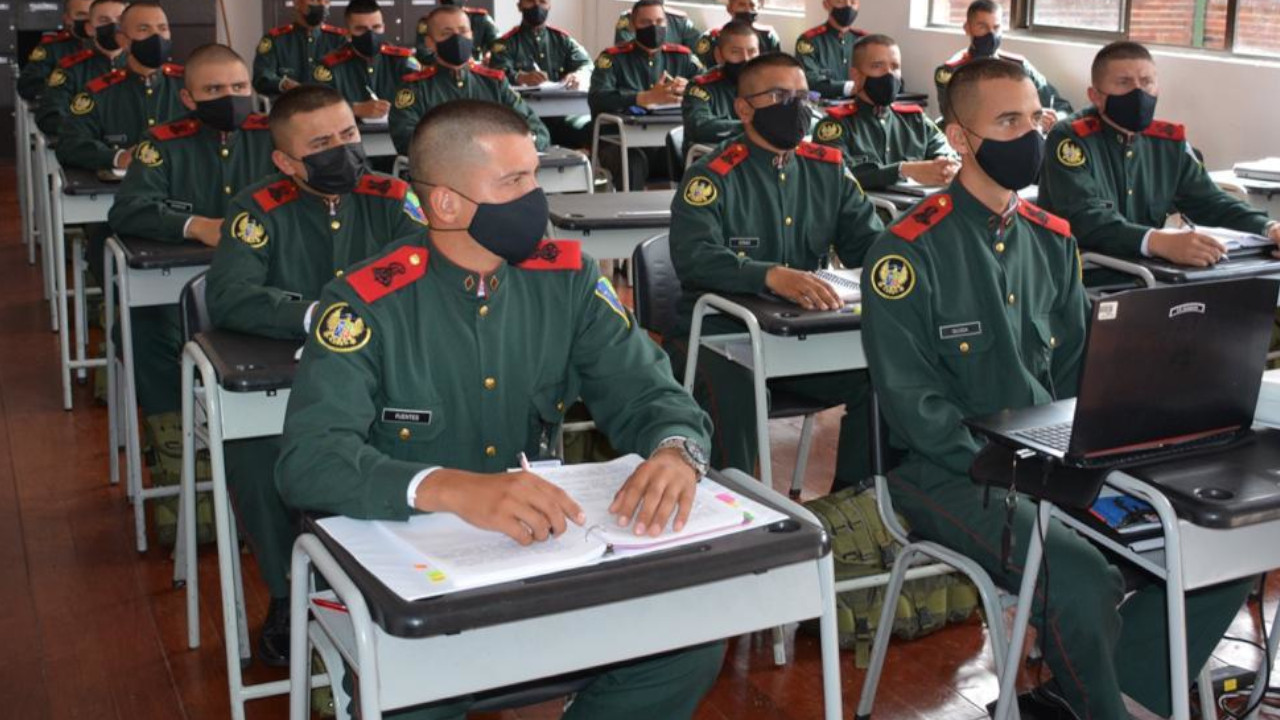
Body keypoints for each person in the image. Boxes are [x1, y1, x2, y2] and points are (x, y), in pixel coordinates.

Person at [276, 99, 725, 720]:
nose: (536, 198)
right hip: (411, 573)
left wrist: (677, 450)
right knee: (411, 701)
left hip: (536, 552)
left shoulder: (566, 281)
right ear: (446, 203)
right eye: (514, 182)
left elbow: (648, 393)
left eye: (534, 177)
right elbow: (310, 461)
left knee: (689, 646)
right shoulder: (364, 304)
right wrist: (450, 488)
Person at [862, 57, 1253, 720]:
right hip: (949, 467)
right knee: (1078, 578)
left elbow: (1081, 371)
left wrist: (1119, 442)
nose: (1032, 134)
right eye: (1007, 120)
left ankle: (1115, 690)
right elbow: (916, 412)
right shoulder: (907, 253)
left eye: (1036, 116)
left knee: (1227, 536)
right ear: (958, 138)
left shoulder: (1052, 239)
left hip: (1057, 455)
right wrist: (1028, 467)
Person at [204, 84, 428, 666]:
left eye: (349, 135)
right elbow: (230, 297)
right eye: (322, 143)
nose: (342, 151)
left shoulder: (393, 196)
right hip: (281, 377)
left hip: (382, 372)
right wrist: (316, 315)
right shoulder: (258, 209)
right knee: (257, 458)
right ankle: (286, 592)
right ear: (285, 161)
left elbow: (420, 272)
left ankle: (391, 585)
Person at [668, 53, 884, 491]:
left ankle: (851, 508)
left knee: (883, 378)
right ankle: (739, 516)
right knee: (737, 392)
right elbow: (694, 256)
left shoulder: (828, 170)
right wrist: (770, 275)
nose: (797, 107)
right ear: (744, 108)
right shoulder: (711, 176)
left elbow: (872, 247)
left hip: (803, 334)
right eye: (780, 96)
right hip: (717, 335)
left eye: (803, 96)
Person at [105, 43, 276, 548]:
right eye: (215, 90)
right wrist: (192, 225)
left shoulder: (274, 140)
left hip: (257, 289)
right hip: (175, 289)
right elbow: (128, 211)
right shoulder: (164, 144)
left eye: (240, 88)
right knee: (141, 330)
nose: (231, 98)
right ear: (187, 97)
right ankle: (177, 465)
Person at [1039, 41, 1279, 274]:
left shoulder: (1168, 143)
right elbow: (1085, 219)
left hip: (1147, 273)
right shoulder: (1071, 139)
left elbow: (1211, 202)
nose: (1138, 91)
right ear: (1096, 95)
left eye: (1146, 82)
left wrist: (1268, 228)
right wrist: (1157, 242)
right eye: (1124, 83)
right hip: (1083, 273)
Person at [389, 5, 550, 156]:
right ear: (430, 43)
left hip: (497, 171)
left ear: (471, 36)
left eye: (463, 31)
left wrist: (518, 144)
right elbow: (406, 140)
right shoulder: (415, 88)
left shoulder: (495, 83)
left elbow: (538, 131)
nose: (457, 38)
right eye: (447, 33)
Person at [813, 34, 958, 191]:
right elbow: (837, 175)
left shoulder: (915, 120)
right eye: (877, 66)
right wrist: (903, 170)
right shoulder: (835, 126)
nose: (889, 74)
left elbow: (946, 150)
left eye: (895, 67)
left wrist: (945, 165)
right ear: (856, 75)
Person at [56, 0, 185, 173]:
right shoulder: (99, 93)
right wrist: (117, 157)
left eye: (162, 28)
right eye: (144, 29)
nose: (157, 37)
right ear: (123, 40)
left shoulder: (189, 85)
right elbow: (69, 145)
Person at [589, 0, 702, 190]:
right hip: (618, 142)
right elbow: (597, 98)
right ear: (633, 25)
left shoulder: (682, 57)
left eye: (659, 22)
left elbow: (709, 91)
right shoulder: (611, 58)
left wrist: (690, 89)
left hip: (668, 140)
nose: (654, 28)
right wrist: (643, 98)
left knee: (696, 157)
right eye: (646, 23)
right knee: (634, 162)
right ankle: (630, 218)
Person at [934, 0, 1070, 133]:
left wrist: (1056, 118)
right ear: (967, 28)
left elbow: (1060, 105)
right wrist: (1027, 117)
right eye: (983, 27)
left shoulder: (1018, 66)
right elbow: (961, 118)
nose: (991, 34)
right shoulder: (951, 72)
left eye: (996, 27)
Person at [487, 0, 593, 148]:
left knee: (590, 128)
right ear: (520, 6)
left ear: (549, 5)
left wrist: (578, 75)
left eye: (542, 1)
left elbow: (587, 65)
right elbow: (497, 72)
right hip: (524, 115)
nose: (537, 6)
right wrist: (520, 77)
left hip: (562, 114)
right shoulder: (505, 44)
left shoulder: (562, 39)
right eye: (530, 1)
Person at [314, 0, 419, 121]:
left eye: (376, 27)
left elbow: (423, 101)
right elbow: (316, 106)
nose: (370, 34)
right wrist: (354, 108)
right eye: (361, 29)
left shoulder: (403, 61)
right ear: (348, 33)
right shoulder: (329, 65)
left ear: (384, 27)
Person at [35, 0, 127, 137]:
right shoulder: (71, 69)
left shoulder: (143, 68)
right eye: (104, 20)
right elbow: (50, 117)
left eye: (120, 20)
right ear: (90, 28)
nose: (113, 26)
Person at [680, 20, 758, 159]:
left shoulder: (769, 84)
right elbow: (698, 125)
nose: (746, 59)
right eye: (736, 52)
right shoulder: (700, 86)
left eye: (752, 52)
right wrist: (751, 127)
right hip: (712, 160)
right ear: (719, 55)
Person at [252, 0, 347, 97]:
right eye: (315, 0)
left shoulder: (340, 40)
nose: (322, 5)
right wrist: (284, 84)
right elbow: (261, 77)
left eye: (326, 1)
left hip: (329, 107)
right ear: (296, 3)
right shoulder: (275, 39)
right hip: (288, 107)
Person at [17, 0, 94, 102]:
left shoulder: (113, 46)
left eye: (93, 15)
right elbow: (27, 86)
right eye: (81, 15)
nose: (88, 20)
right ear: (67, 19)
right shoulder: (53, 48)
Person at [796, 0, 866, 99]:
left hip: (860, 107)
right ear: (826, 4)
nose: (848, 6)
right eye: (840, 1)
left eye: (853, 2)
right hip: (825, 107)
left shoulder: (864, 41)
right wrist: (849, 87)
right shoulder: (809, 41)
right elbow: (809, 81)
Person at [692, 0, 781, 69]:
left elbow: (775, 70)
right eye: (741, 5)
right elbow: (701, 72)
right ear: (729, 8)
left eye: (752, 5)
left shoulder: (768, 37)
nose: (747, 10)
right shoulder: (711, 38)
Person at [414, 0, 497, 65]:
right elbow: (423, 53)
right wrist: (446, 60)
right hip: (440, 72)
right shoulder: (429, 22)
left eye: (463, 30)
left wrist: (490, 56)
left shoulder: (480, 18)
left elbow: (499, 46)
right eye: (447, 32)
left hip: (474, 71)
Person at [614, 0, 701, 49]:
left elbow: (698, 50)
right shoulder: (629, 19)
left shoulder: (678, 20)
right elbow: (625, 51)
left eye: (659, 21)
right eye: (646, 22)